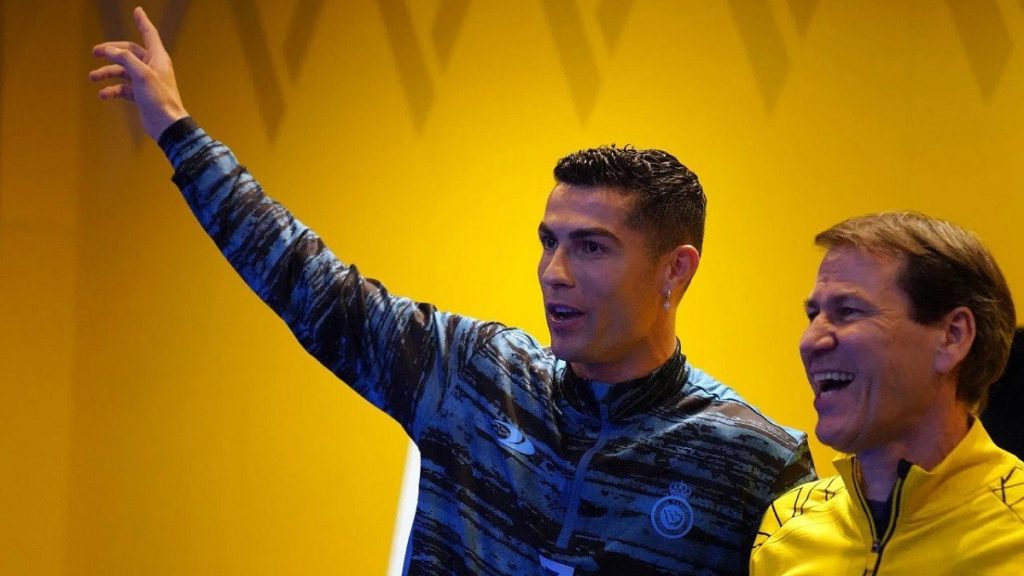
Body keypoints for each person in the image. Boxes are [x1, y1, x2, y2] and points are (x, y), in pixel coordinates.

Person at [91, 8, 815, 575]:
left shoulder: (755, 462)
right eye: (549, 241)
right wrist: (179, 133)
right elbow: (308, 280)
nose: (554, 272)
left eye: (591, 247)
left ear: (675, 271)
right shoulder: (475, 373)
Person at [750, 212, 1024, 575]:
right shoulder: (786, 524)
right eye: (813, 315)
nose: (810, 340)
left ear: (952, 337)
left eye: (848, 312)